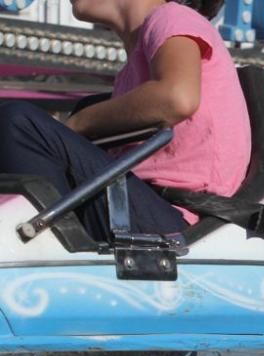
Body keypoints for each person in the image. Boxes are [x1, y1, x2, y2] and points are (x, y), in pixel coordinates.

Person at [0, 0, 250, 244]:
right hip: (148, 209)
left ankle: (46, 244)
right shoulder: (130, 73)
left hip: (176, 220)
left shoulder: (172, 16)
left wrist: (77, 124)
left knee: (17, 122)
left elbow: (178, 98)